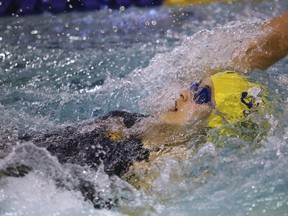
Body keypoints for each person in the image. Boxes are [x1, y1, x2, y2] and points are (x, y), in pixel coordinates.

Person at [1, 12, 288, 209]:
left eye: (201, 95)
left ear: (217, 123)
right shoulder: (141, 124)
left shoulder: (163, 168)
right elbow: (253, 52)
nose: (186, 92)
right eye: (194, 84)